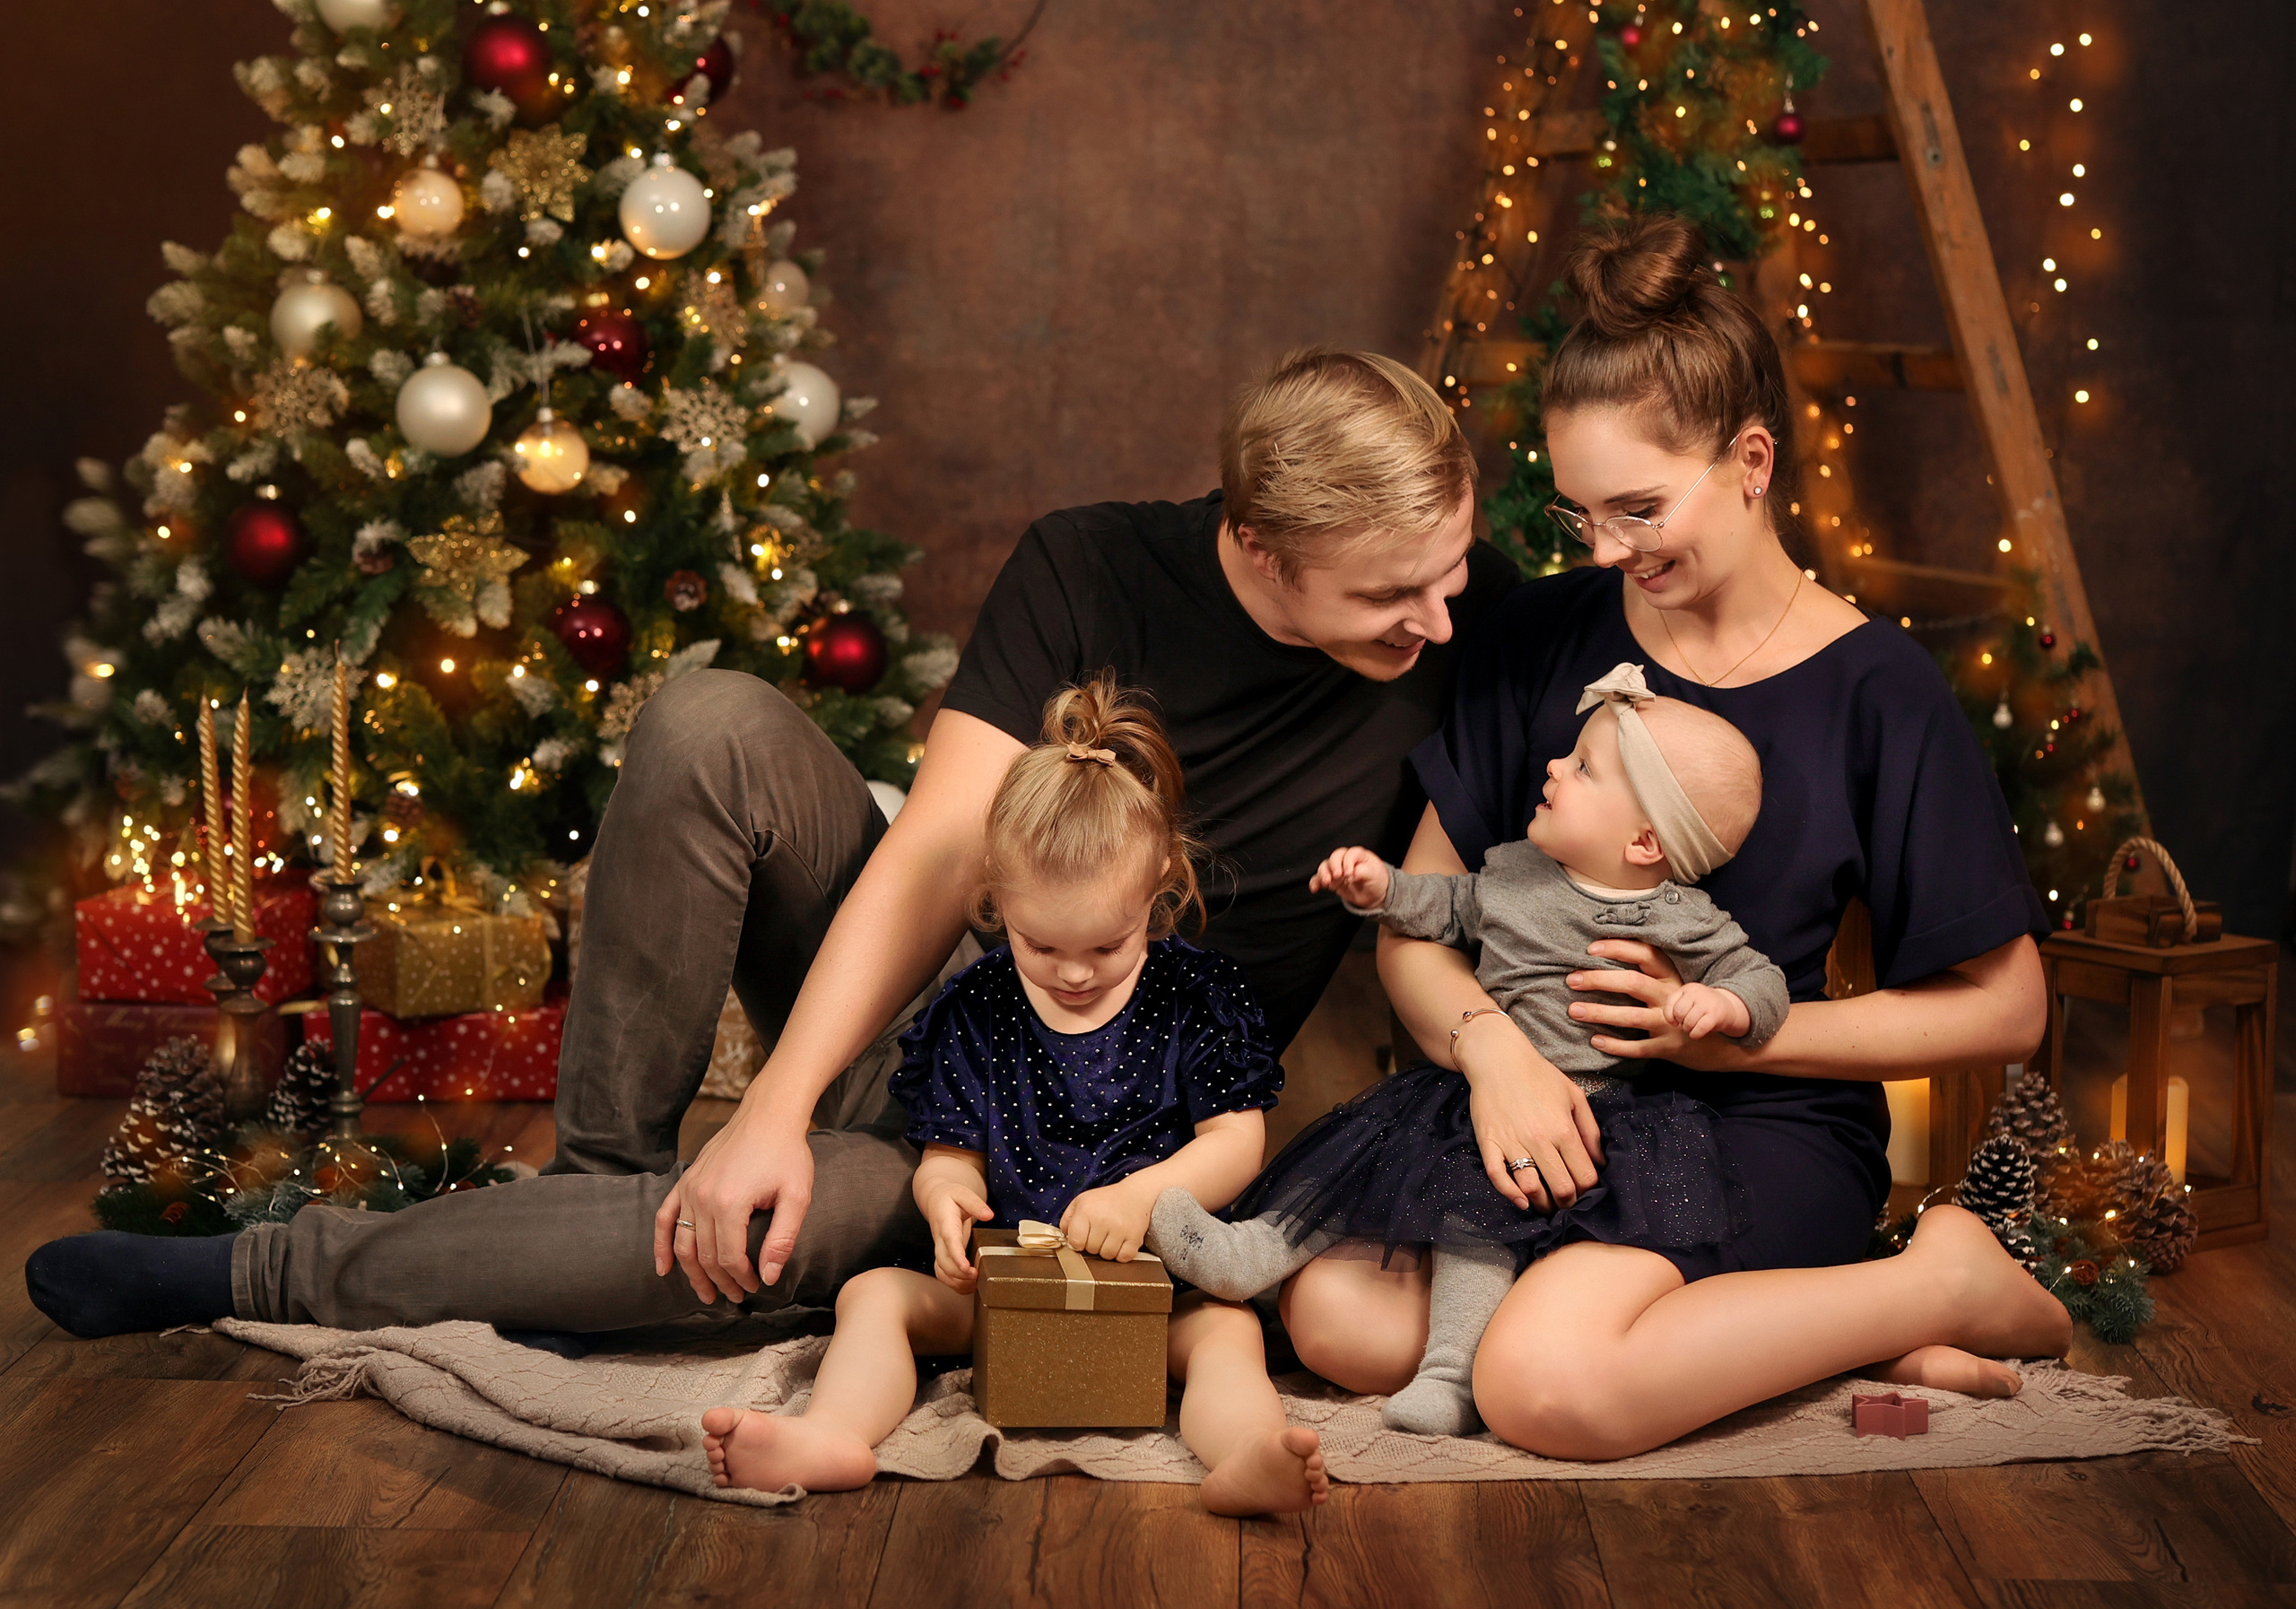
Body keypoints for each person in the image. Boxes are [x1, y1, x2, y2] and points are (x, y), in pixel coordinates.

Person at [26, 347, 1518, 1344]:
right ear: (1257, 548)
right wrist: (774, 1107)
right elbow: (936, 855)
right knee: (712, 723)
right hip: (947, 1022)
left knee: (779, 1232)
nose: (1440, 622)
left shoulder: (1468, 619)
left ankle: (264, 1274)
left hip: (1116, 1128)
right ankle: (604, 1174)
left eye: (1452, 576)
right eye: (1395, 597)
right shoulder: (1092, 565)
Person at [1269, 215, 2073, 1465]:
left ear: (1752, 462)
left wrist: (1741, 1034)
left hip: (1758, 1123)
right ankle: (1813, 1329)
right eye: (1581, 511)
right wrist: (1497, 1060)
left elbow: (2008, 1007)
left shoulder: (1876, 690)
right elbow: (1417, 927)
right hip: (1537, 1100)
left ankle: (1941, 1282)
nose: (1606, 552)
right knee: (1338, 1322)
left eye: (1639, 507)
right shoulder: (1541, 635)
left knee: (1546, 1387)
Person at [703, 680, 1330, 1516]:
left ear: (1160, 890)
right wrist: (948, 1199)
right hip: (1008, 1283)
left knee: (1230, 1333)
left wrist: (1141, 1198)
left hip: (1156, 1290)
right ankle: (834, 1435)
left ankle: (1248, 1456)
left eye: (1107, 945)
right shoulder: (978, 1007)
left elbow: (1235, 1141)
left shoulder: (1195, 996)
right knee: (873, 1297)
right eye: (1042, 945)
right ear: (996, 900)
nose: (1074, 973)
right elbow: (948, 1155)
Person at [1149, 663, 1787, 1435]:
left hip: (1593, 1116)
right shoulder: (1516, 870)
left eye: (1583, 768)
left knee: (1479, 1218)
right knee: (1361, 1157)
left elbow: (1761, 981)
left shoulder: (1682, 921)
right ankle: (1250, 1253)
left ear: (1646, 840)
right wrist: (1380, 888)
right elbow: (1446, 906)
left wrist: (1718, 1004)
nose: (1553, 766)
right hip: (1470, 1089)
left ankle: (1452, 1373)